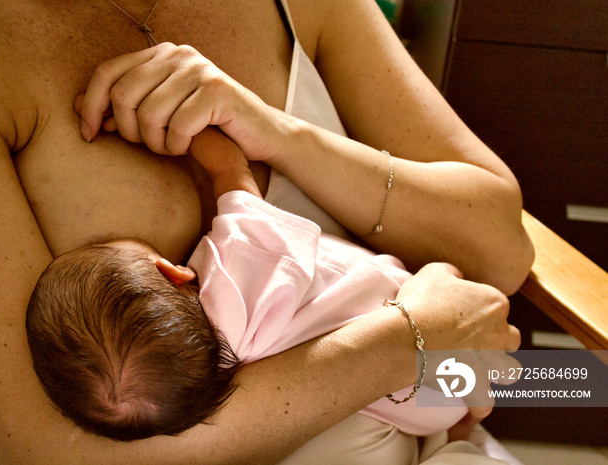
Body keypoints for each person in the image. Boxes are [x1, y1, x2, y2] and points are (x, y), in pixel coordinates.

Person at [0, 0, 533, 464]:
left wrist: (279, 134)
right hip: (416, 377)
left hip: (429, 406)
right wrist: (402, 341)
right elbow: (49, 456)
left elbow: (503, 251)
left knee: (565, 383)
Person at [25, 128, 469, 454]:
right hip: (433, 315)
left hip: (417, 407)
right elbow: (232, 174)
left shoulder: (206, 385)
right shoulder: (234, 268)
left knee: (496, 393)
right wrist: (191, 136)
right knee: (523, 367)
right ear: (172, 272)